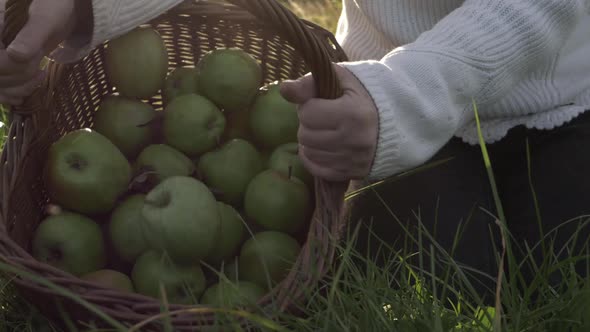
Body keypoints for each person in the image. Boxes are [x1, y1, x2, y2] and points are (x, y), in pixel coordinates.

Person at [2, 0, 590, 298]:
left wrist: (405, 96)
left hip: (559, 95)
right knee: (448, 275)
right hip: (375, 87)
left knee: (567, 265)